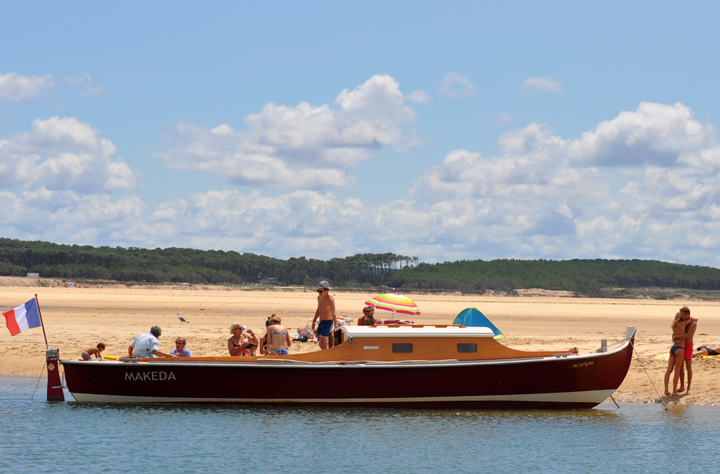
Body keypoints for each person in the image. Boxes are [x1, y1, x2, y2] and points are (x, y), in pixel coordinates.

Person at [663, 312, 695, 396]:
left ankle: (666, 390)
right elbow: (686, 335)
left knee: (670, 369)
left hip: (674, 348)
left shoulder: (674, 325)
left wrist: (675, 337)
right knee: (678, 369)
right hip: (681, 348)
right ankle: (675, 390)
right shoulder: (683, 324)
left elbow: (688, 334)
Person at [672, 307, 697, 394]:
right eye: (680, 315)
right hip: (681, 345)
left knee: (688, 367)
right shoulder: (683, 322)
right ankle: (682, 386)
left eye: (682, 315)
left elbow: (687, 335)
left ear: (687, 315)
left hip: (688, 345)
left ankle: (689, 387)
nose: (681, 317)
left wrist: (675, 337)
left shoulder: (693, 324)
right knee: (681, 367)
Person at [311, 280, 338, 350]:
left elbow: (333, 313)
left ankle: (327, 357)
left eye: (321, 291)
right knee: (324, 344)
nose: (319, 293)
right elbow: (318, 310)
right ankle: (328, 356)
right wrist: (314, 321)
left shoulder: (330, 300)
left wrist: (336, 325)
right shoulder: (319, 298)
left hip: (328, 322)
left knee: (322, 345)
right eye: (318, 291)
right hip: (321, 322)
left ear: (327, 291)